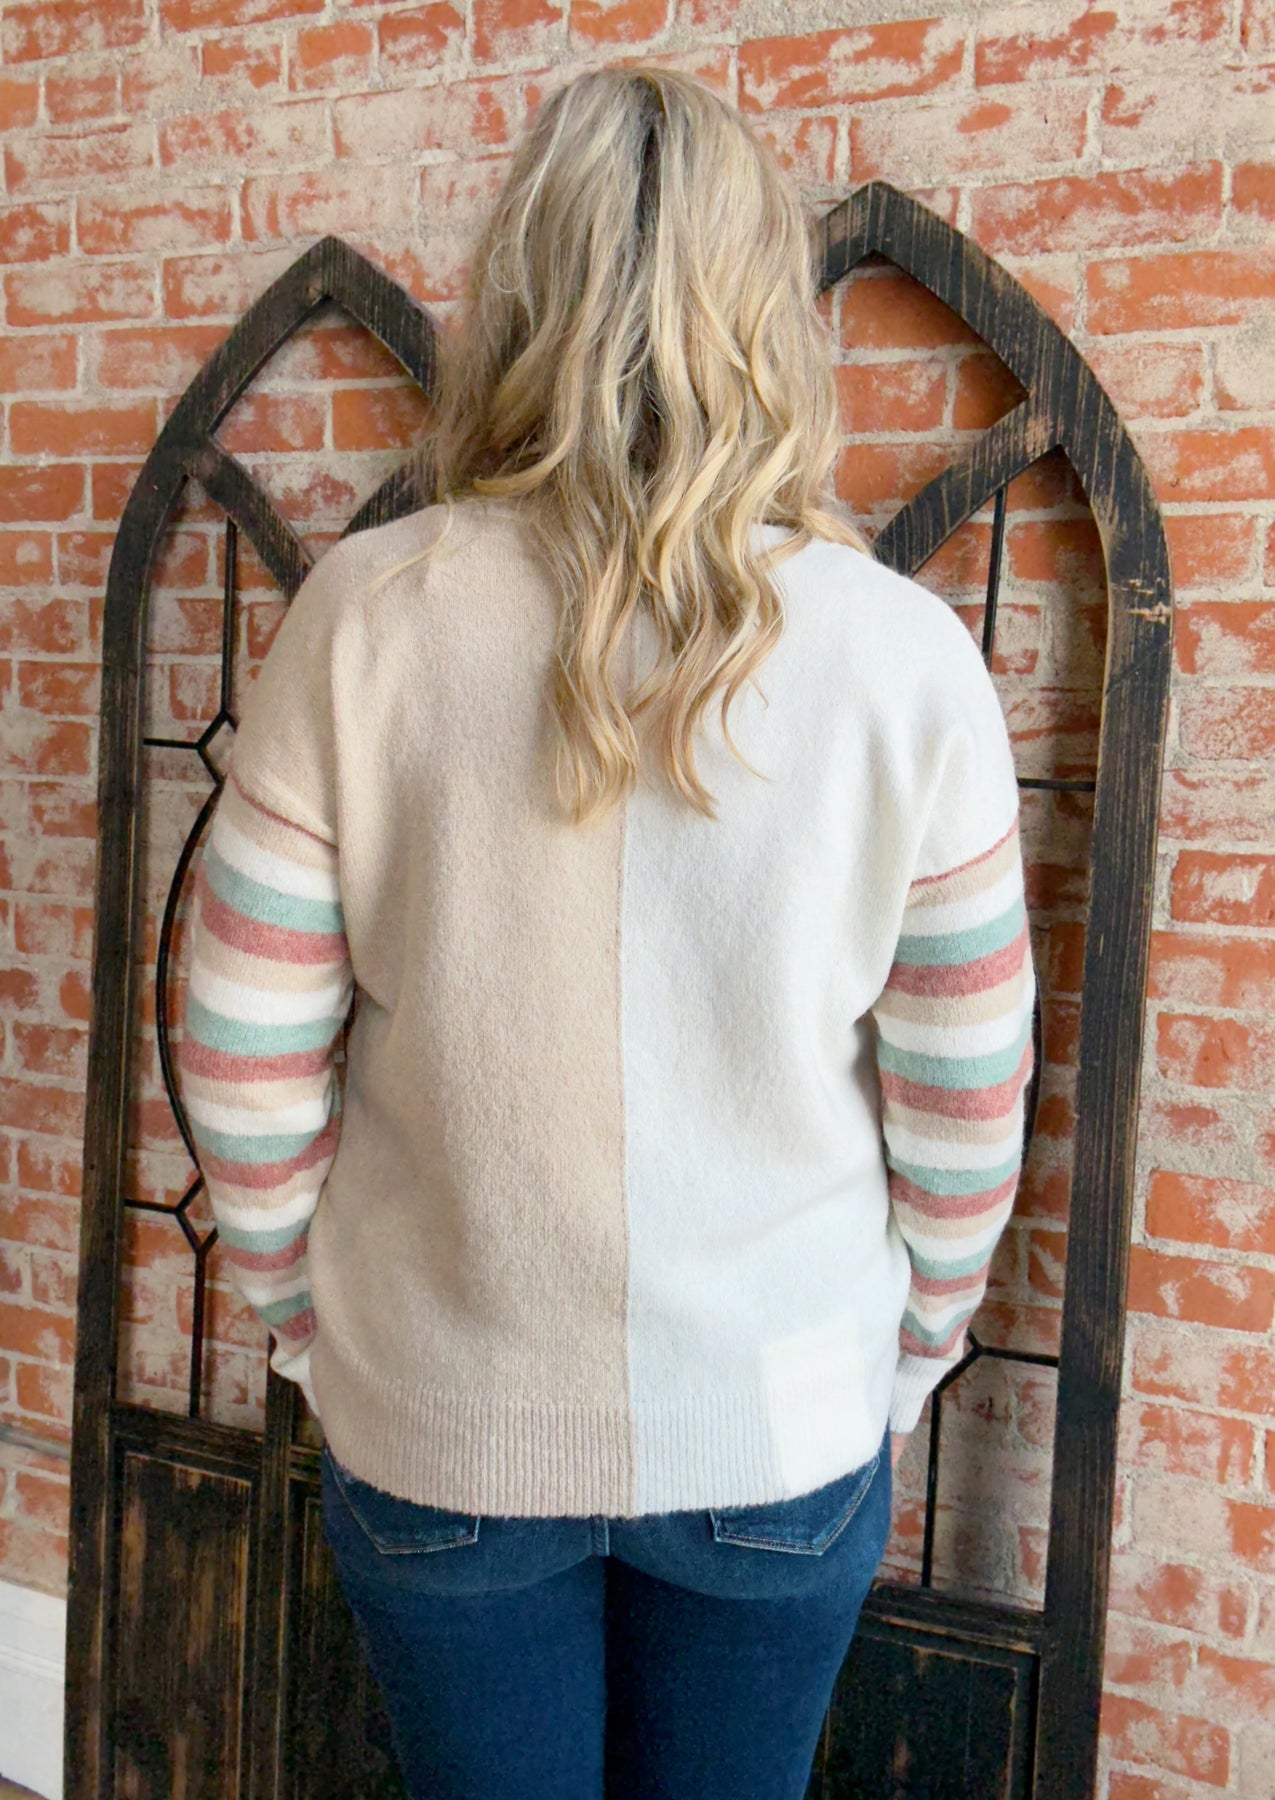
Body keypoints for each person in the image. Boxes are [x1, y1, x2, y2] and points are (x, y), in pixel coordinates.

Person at [177, 64, 1035, 1800]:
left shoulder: (366, 617)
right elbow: (963, 1110)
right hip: (780, 1428)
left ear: (521, 292)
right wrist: (902, 1359)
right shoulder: (903, 658)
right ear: (765, 309)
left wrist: (311, 1328)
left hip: (442, 1414)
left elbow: (240, 1056)